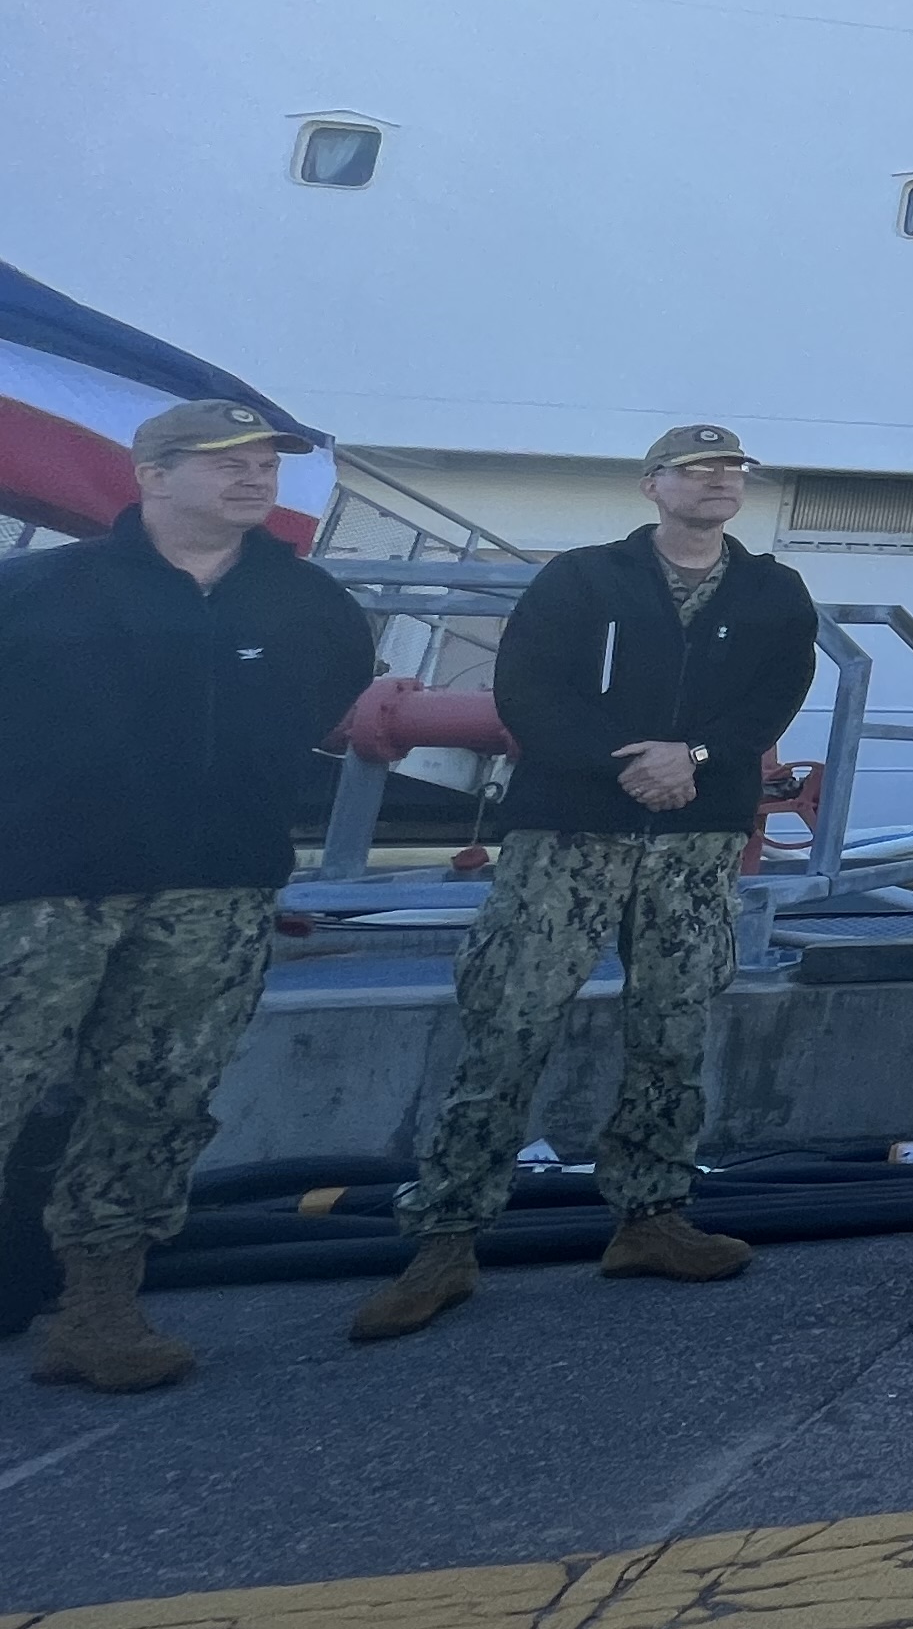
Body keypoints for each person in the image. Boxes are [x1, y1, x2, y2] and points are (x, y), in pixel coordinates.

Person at [351, 424, 817, 1342]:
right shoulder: (581, 579)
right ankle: (445, 1238)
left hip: (695, 834)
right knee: (510, 1021)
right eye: (697, 469)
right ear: (654, 486)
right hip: (570, 829)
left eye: (732, 470)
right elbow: (530, 690)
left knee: (674, 1025)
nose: (719, 482)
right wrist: (628, 765)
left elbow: (775, 694)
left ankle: (651, 1217)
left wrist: (694, 755)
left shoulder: (772, 592)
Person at [0, 401, 374, 1389]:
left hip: (216, 890)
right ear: (153, 475)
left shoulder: (310, 608)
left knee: (157, 1098)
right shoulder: (39, 593)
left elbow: (326, 700)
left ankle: (97, 1312)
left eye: (266, 464)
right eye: (226, 463)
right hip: (44, 891)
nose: (255, 478)